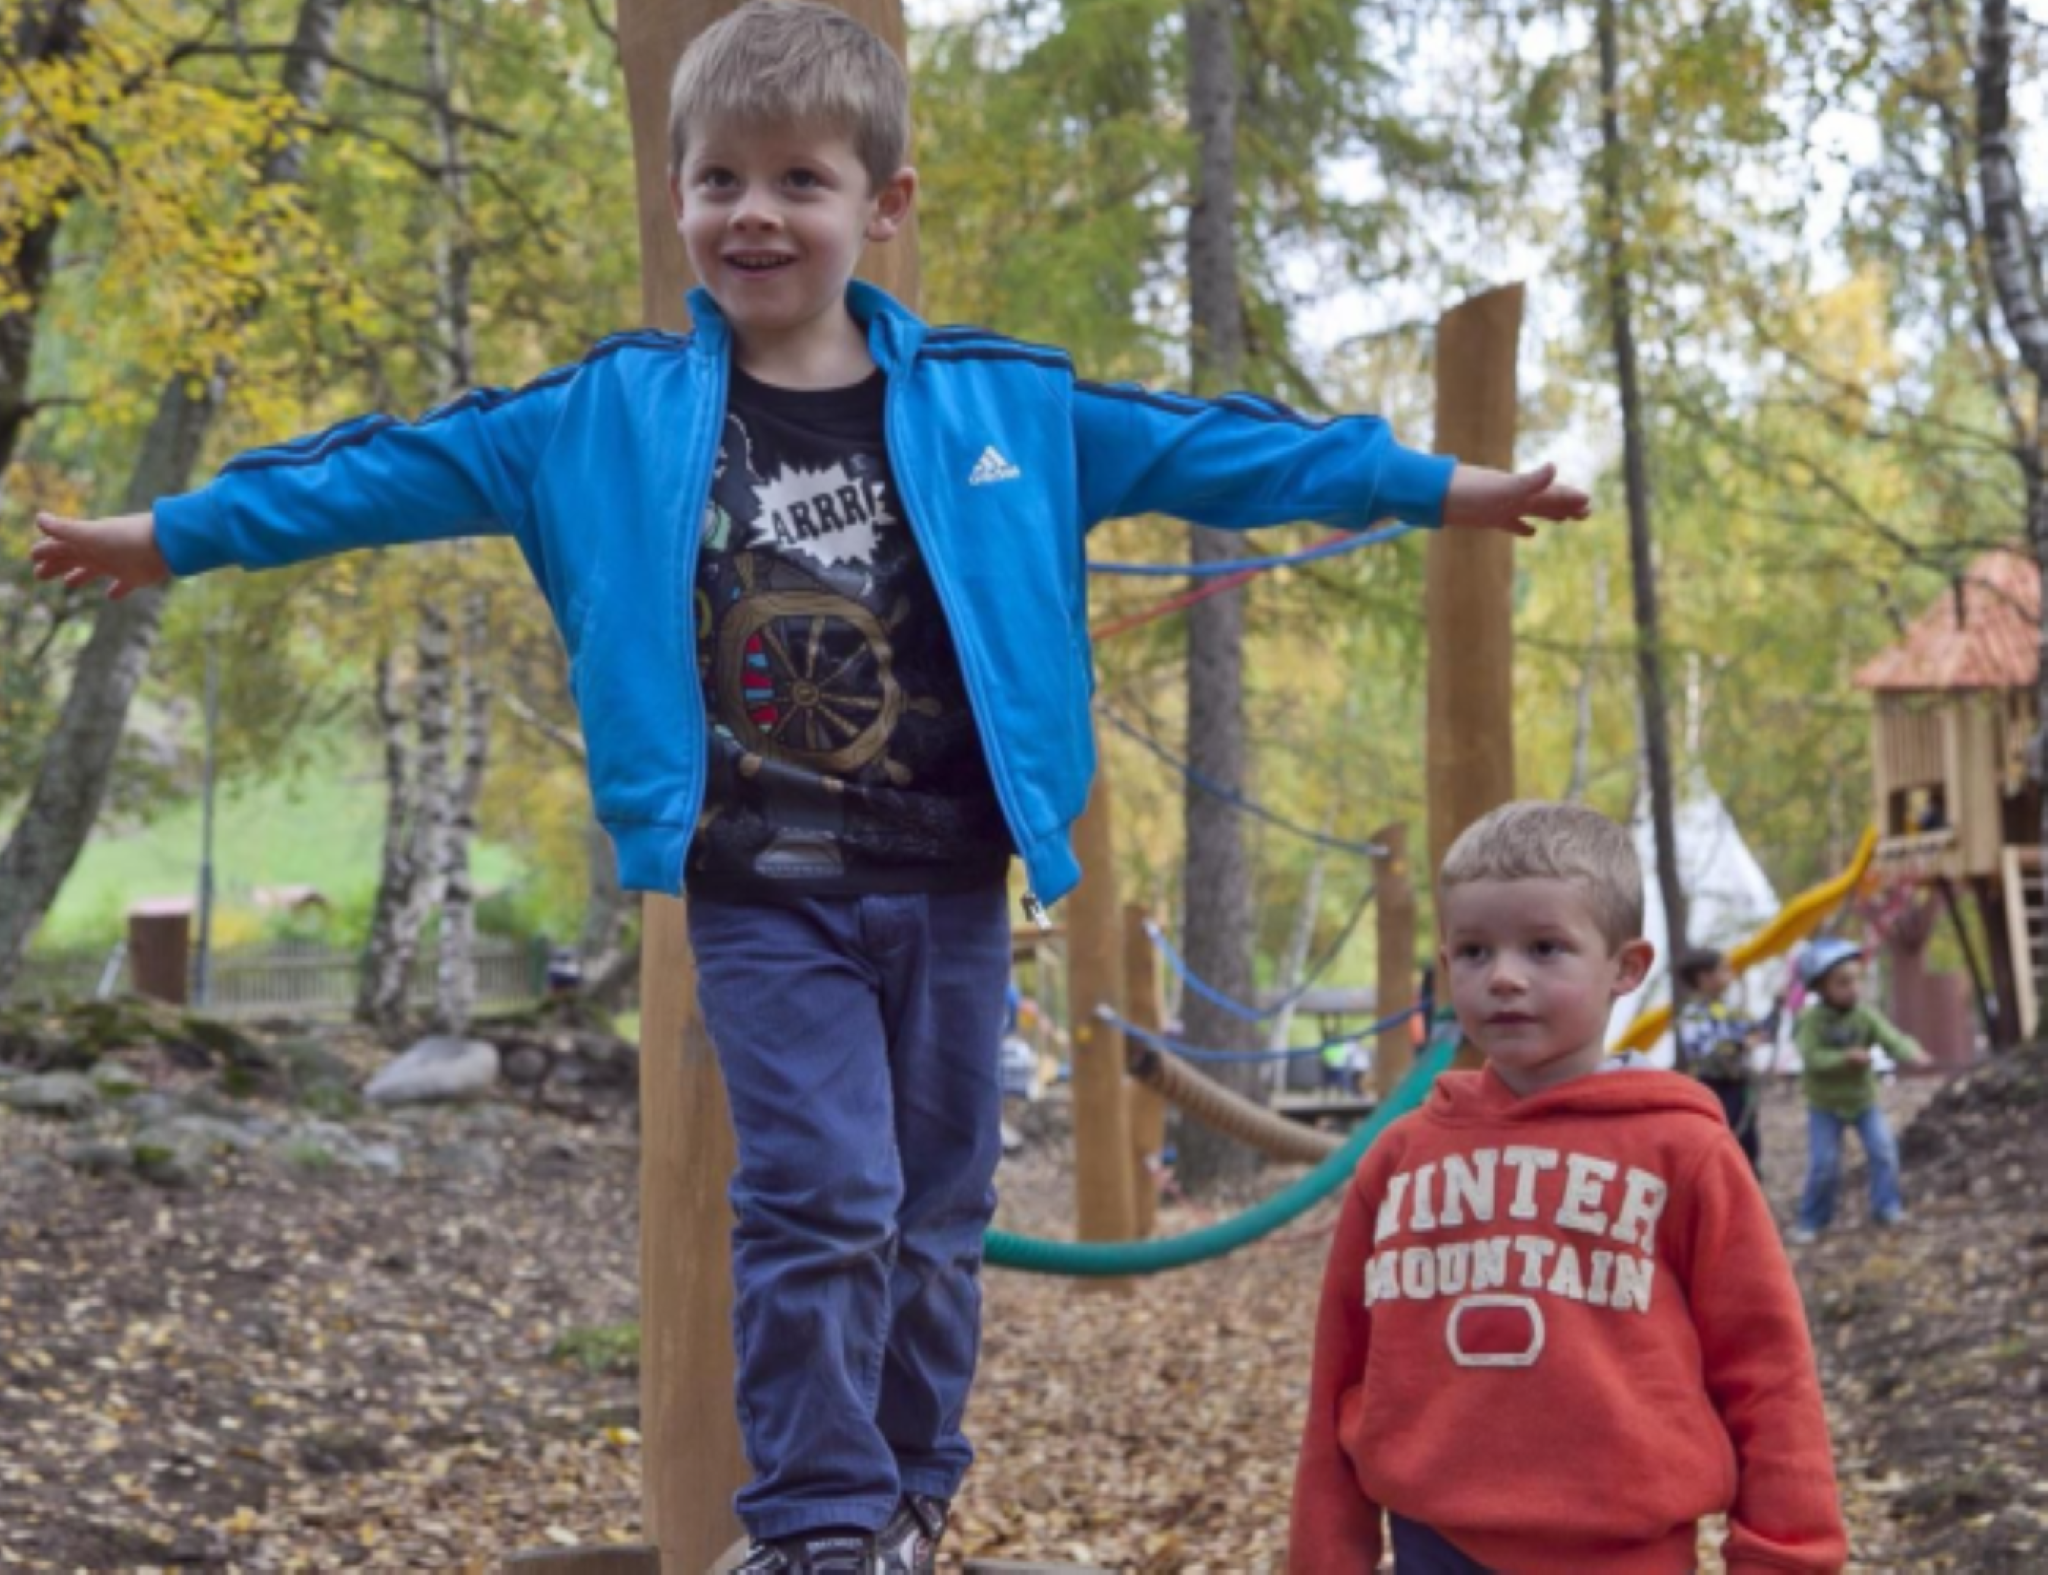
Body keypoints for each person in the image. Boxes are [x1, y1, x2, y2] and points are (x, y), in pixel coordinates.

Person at [30, 6, 1589, 1570]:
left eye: (800, 179)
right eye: (720, 179)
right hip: (763, 890)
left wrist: (1442, 487)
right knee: (823, 1193)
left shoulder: (1001, 406)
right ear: (678, 195)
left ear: (882, 204)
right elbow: (373, 472)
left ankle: (909, 1491)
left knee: (936, 1211)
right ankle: (818, 1521)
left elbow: (1227, 451)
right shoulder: (604, 416)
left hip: (950, 882)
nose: (754, 213)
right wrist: (169, 534)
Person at [1291, 801, 1846, 1575]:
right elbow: (1341, 1371)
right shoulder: (1400, 1160)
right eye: (1475, 950)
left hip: (1625, 1553)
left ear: (1626, 966)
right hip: (1434, 1547)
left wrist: (1785, 1556)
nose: (1504, 975)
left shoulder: (1684, 1152)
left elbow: (1768, 1368)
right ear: (1447, 966)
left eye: (1545, 947)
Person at [1789, 937, 1928, 1245]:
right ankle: (1812, 1220)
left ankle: (1886, 1207)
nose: (1852, 988)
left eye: (1856, 980)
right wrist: (1844, 1058)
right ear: (1821, 987)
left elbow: (1891, 1038)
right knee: (1824, 1164)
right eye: (1842, 983)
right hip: (1825, 1104)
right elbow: (1811, 1056)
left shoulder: (1865, 1015)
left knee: (1884, 1152)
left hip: (1863, 1101)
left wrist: (1912, 1052)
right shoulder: (1811, 1020)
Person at [1673, 945, 1768, 1174]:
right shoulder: (1693, 1014)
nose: (1730, 974)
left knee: (1748, 1144)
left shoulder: (1730, 1009)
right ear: (1704, 978)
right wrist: (1740, 1045)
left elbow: (1756, 1029)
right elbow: (1704, 1052)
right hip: (1713, 1087)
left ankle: (1750, 1185)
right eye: (1723, 969)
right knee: (1723, 1141)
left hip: (1739, 1086)